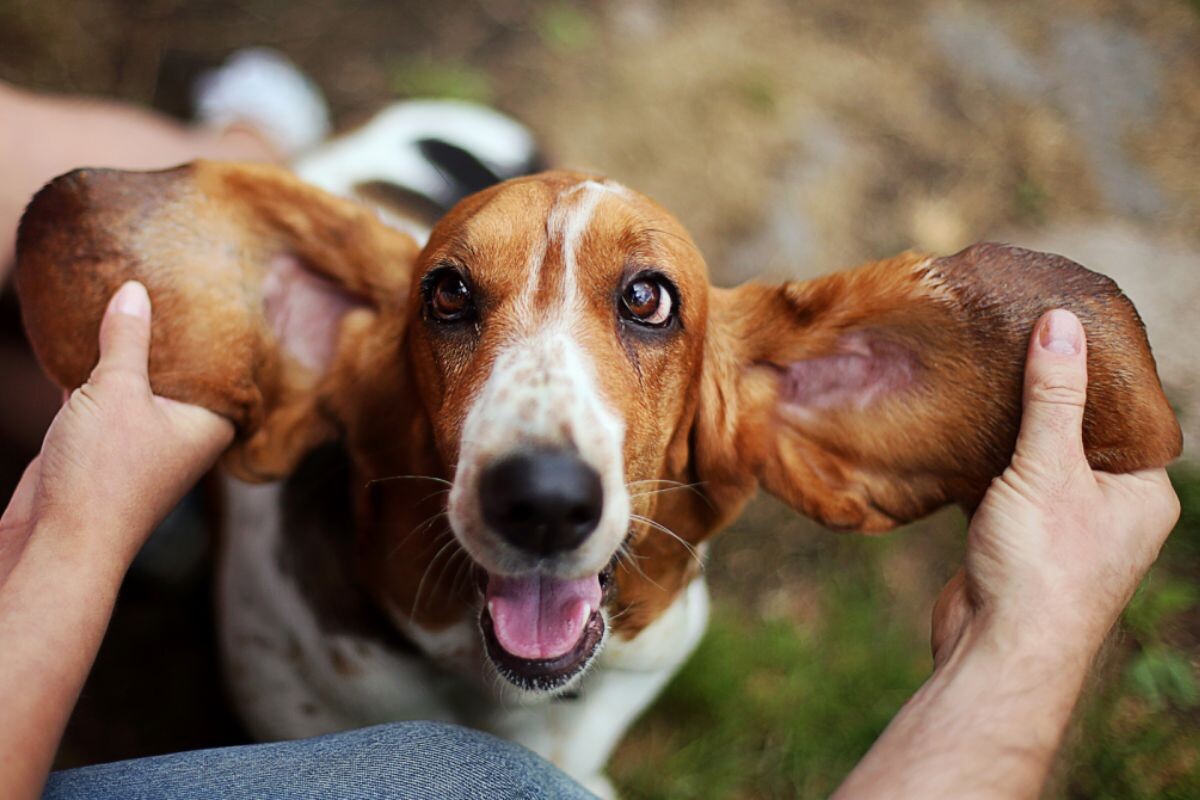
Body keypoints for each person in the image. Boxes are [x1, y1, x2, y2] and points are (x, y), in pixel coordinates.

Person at [0, 278, 1180, 798]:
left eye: (647, 304)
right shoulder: (349, 371)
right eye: (458, 304)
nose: (547, 482)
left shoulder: (746, 413)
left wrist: (77, 533)